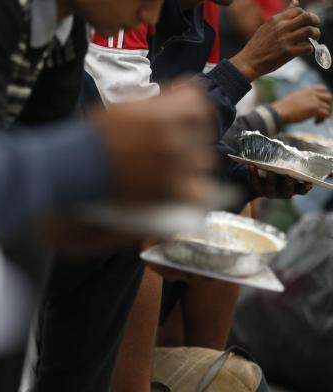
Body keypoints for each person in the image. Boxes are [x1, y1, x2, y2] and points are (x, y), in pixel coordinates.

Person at [31, 1, 321, 391]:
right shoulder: (117, 10)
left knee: (232, 220)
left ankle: (199, 370)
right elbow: (137, 147)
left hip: (92, 214)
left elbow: (193, 141)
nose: (152, 19)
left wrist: (246, 180)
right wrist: (247, 68)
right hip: (59, 251)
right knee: (138, 234)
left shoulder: (206, 14)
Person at [0, 1, 220, 391]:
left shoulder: (66, 31)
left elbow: (47, 144)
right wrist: (93, 156)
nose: (152, 17)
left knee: (124, 246)